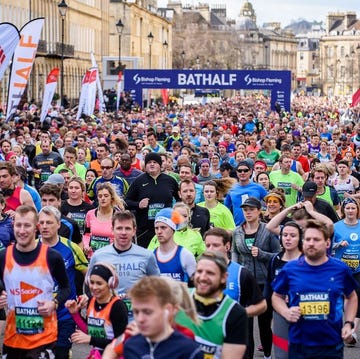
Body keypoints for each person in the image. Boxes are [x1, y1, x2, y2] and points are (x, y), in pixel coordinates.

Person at [272, 219, 358, 359]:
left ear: (328, 243)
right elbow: (276, 296)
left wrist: (349, 323)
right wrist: (285, 311)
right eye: (308, 239)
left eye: (317, 239)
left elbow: (352, 297)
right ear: (303, 242)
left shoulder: (340, 269)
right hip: (299, 343)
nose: (311, 243)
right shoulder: (290, 269)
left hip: (331, 344)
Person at [0, 205, 70, 358]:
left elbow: (66, 287)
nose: (22, 230)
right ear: (13, 226)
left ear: (36, 227)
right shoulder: (4, 256)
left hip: (43, 339)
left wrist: (54, 303)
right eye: (18, 225)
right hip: (13, 339)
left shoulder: (52, 257)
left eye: (27, 225)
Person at [103, 276, 203, 359]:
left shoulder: (187, 341)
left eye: (148, 312)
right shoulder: (132, 342)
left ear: (171, 309)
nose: (140, 319)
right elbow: (112, 348)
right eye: (136, 312)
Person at [204, 227, 267, 359]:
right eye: (207, 245)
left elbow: (262, 305)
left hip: (235, 341)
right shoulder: (199, 274)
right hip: (208, 342)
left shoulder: (241, 274)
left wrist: (239, 314)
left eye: (215, 245)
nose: (210, 249)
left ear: (227, 246)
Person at [232, 197, 280, 359]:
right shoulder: (237, 231)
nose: (248, 212)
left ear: (259, 211)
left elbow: (278, 255)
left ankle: (267, 354)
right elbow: (235, 254)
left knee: (264, 323)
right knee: (245, 323)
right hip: (245, 282)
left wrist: (262, 254)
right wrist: (234, 273)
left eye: (251, 209)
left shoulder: (268, 230)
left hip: (264, 283)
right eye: (245, 210)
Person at [88, 210, 160, 319]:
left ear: (134, 231)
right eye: (119, 228)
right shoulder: (98, 256)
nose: (123, 232)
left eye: (127, 228)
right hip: (107, 319)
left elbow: (157, 286)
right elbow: (88, 285)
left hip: (137, 320)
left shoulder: (147, 256)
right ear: (112, 230)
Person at [176, 251, 249, 358]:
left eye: (210, 273)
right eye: (199, 271)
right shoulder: (180, 299)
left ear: (224, 277)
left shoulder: (235, 313)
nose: (203, 277)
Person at [38, 205, 88, 359]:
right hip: (38, 315)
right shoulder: (32, 247)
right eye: (42, 223)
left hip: (64, 315)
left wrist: (88, 295)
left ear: (58, 224)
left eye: (49, 222)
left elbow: (89, 274)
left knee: (60, 353)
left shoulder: (71, 248)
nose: (45, 226)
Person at [65, 263, 128, 357]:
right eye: (91, 282)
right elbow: (88, 329)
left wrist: (91, 339)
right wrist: (75, 313)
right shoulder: (92, 301)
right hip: (97, 355)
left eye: (99, 283)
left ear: (110, 284)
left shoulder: (117, 306)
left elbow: (120, 342)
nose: (94, 287)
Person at [265, 222, 303, 359]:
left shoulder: (307, 260)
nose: (288, 238)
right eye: (285, 235)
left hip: (304, 314)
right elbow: (270, 287)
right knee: (281, 353)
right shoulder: (275, 259)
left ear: (300, 238)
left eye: (293, 235)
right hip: (280, 313)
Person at [125, 152, 179, 248]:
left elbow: (179, 200)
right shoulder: (139, 181)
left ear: (160, 165)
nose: (152, 164)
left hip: (167, 227)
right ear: (145, 165)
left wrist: (175, 214)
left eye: (155, 162)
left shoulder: (170, 180)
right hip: (145, 230)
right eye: (149, 162)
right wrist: (138, 205)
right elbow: (126, 202)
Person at [333, 197, 360, 345]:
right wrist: (338, 244)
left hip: (358, 269)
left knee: (357, 299)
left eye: (353, 208)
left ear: (357, 210)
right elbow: (327, 246)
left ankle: (352, 332)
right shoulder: (336, 227)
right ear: (343, 210)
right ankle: (343, 326)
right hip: (341, 270)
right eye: (348, 208)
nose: (350, 211)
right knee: (341, 300)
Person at [153, 207, 197, 283]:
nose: (159, 231)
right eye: (156, 228)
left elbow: (195, 286)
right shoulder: (151, 256)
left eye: (163, 227)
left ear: (173, 229)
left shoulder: (185, 255)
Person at [83, 182, 124, 257]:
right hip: (93, 258)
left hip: (112, 258)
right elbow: (86, 234)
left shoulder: (119, 216)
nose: (103, 198)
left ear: (111, 198)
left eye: (106, 196)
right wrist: (85, 245)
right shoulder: (90, 214)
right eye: (100, 196)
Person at [224, 160, 267, 226]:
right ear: (237, 173)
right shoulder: (231, 189)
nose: (242, 173)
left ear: (250, 172)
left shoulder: (258, 187)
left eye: (245, 170)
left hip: (256, 227)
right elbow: (226, 209)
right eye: (240, 171)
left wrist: (265, 214)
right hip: (238, 226)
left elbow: (270, 202)